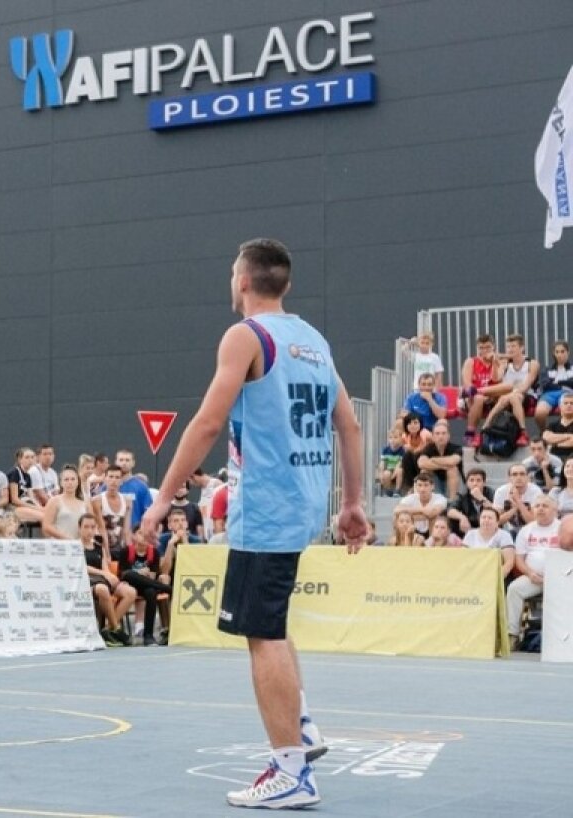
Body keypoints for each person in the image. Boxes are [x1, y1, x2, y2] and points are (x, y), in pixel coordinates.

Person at [139, 238, 367, 809]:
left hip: (268, 506)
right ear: (283, 284)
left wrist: (163, 497)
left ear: (241, 280)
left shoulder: (246, 336)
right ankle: (303, 725)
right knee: (273, 621)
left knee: (260, 633)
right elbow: (350, 425)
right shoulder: (312, 340)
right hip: (309, 500)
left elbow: (209, 422)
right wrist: (353, 503)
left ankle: (291, 770)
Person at [507, 494, 562, 649]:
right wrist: (530, 573)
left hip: (560, 579)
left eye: (545, 506)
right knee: (514, 589)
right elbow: (519, 559)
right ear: (532, 509)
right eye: (537, 506)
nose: (540, 509)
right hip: (534, 577)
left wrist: (558, 575)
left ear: (555, 510)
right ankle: (512, 634)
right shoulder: (526, 530)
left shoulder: (563, 528)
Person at [77, 513, 133, 647]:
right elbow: (82, 567)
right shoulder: (75, 546)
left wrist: (113, 578)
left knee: (130, 592)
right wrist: (104, 573)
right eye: (86, 527)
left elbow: (105, 568)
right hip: (86, 582)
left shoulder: (98, 547)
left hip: (102, 579)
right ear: (79, 528)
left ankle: (107, 629)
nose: (90, 531)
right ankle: (117, 629)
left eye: (92, 527)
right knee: (103, 589)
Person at [480, 333, 539, 447]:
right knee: (506, 397)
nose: (510, 349)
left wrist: (513, 393)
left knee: (511, 396)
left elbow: (526, 385)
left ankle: (485, 428)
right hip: (507, 398)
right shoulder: (505, 363)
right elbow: (496, 378)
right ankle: (522, 433)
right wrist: (494, 363)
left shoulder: (532, 363)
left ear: (522, 348)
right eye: (508, 347)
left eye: (513, 346)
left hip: (527, 396)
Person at [460, 334, 505, 447]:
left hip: (492, 395)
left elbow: (497, 379)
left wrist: (494, 362)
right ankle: (471, 431)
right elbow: (467, 384)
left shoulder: (501, 361)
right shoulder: (471, 362)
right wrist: (478, 393)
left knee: (505, 396)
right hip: (474, 396)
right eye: (481, 348)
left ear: (493, 347)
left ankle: (497, 434)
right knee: (477, 397)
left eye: (488, 347)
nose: (484, 350)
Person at [463, 506, 516, 579]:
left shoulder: (504, 535)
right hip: (473, 574)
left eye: (490, 518)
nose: (486, 520)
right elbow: (464, 558)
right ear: (479, 520)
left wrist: (495, 578)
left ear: (497, 522)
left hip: (495, 575)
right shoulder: (470, 534)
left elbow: (509, 562)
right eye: (483, 517)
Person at [534, 340, 573, 435]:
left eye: (562, 351)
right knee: (540, 413)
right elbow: (545, 384)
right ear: (553, 353)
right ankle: (544, 433)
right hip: (549, 395)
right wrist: (565, 383)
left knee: (567, 411)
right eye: (557, 352)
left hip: (567, 394)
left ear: (568, 352)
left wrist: (557, 382)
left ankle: (567, 434)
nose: (560, 354)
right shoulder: (547, 369)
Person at [40, 465, 88, 540]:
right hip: (60, 546)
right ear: (61, 483)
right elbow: (46, 526)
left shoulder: (84, 503)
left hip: (78, 546)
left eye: (73, 479)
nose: (70, 482)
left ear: (78, 482)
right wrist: (65, 538)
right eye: (66, 480)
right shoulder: (54, 501)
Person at [91, 464, 132, 551]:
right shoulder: (97, 501)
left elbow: (126, 530)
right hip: (100, 546)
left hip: (120, 547)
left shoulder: (127, 501)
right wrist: (106, 553)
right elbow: (101, 527)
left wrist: (130, 550)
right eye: (111, 477)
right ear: (105, 479)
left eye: (117, 477)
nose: (113, 480)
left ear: (121, 480)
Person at [378, 423, 406, 496]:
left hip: (398, 468)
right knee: (386, 474)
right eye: (390, 438)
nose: (393, 440)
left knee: (400, 471)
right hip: (389, 469)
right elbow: (382, 462)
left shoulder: (402, 450)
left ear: (400, 439)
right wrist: (381, 472)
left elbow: (400, 463)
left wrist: (395, 472)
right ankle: (388, 490)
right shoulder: (385, 450)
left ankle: (397, 490)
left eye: (395, 437)